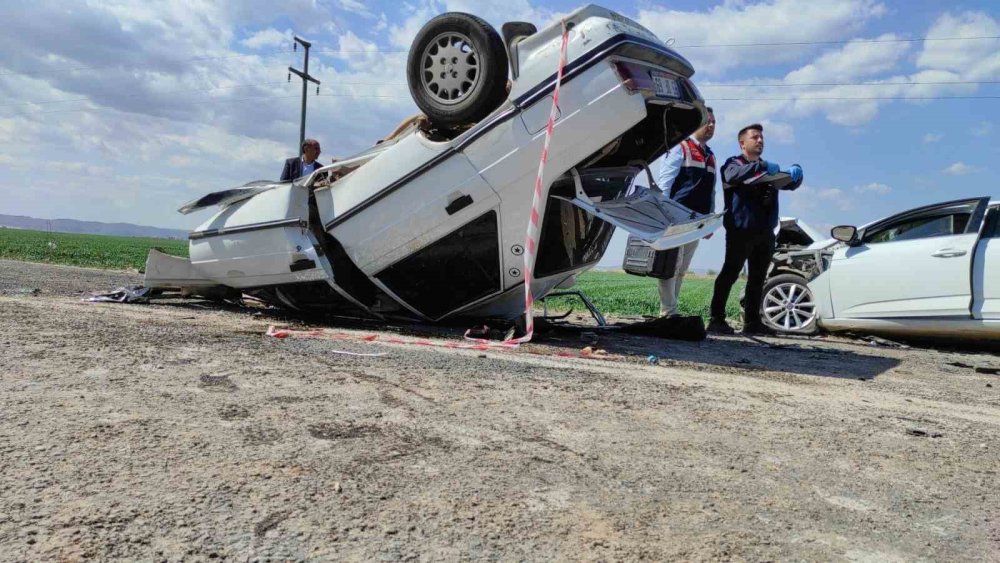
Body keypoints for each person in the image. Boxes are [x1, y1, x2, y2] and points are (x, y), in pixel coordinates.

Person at [708, 123, 803, 335]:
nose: (760, 141)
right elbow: (732, 177)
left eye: (762, 138)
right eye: (755, 137)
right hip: (740, 231)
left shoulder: (766, 168)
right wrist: (761, 168)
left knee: (758, 278)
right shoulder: (733, 165)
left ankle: (752, 322)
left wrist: (796, 175)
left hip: (765, 231)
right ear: (743, 143)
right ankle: (716, 319)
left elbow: (788, 183)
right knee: (730, 273)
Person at [655, 107, 717, 317]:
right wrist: (663, 215)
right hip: (677, 218)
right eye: (707, 121)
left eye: (714, 123)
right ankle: (668, 311)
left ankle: (671, 309)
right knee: (670, 266)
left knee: (681, 269)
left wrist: (709, 220)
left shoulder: (710, 156)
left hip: (697, 221)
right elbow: (665, 184)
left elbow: (711, 191)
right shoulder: (680, 148)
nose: (711, 126)